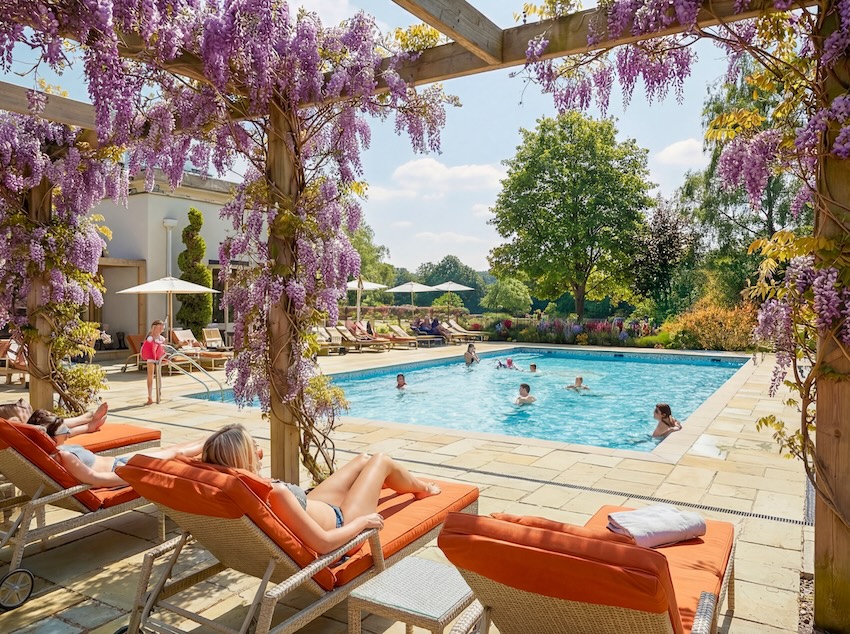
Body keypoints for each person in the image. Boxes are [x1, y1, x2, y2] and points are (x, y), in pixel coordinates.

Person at [202, 424, 441, 555]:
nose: (259, 451)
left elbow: (191, 454)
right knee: (380, 460)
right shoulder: (274, 493)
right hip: (342, 522)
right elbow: (324, 544)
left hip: (311, 506)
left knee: (363, 460)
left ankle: (381, 482)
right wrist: (361, 523)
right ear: (242, 459)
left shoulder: (232, 486)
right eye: (253, 448)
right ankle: (422, 489)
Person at [28, 409, 209, 487]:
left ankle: (208, 440)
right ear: (50, 437)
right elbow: (96, 478)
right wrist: (131, 478)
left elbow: (77, 430)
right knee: (176, 453)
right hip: (123, 469)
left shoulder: (53, 449)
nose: (68, 432)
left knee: (172, 448)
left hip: (121, 462)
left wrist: (90, 422)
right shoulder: (65, 456)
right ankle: (212, 441)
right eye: (64, 430)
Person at [1, 398, 108, 433]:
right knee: (51, 430)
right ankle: (87, 424)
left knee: (43, 421)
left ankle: (86, 420)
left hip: (20, 432)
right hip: (27, 437)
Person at [141, 319, 167, 405]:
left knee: (159, 376)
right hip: (151, 358)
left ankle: (159, 395)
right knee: (150, 376)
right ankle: (150, 397)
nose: (161, 330)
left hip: (158, 358)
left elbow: (163, 349)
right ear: (155, 328)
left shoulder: (162, 338)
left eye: (162, 328)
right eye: (160, 328)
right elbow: (146, 348)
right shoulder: (150, 338)